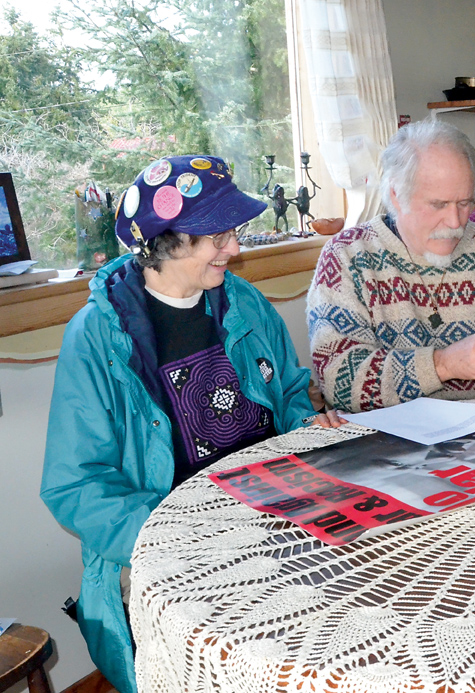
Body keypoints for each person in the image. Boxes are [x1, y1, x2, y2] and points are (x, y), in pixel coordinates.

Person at [40, 155, 342, 693]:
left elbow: (292, 390)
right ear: (164, 241)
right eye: (217, 236)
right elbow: (74, 485)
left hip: (272, 512)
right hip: (170, 539)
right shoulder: (98, 338)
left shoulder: (242, 301)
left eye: (234, 232)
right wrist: (176, 537)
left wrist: (308, 425)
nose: (235, 248)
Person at [307, 119, 475, 412]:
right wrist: (442, 365)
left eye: (465, 203)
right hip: (390, 441)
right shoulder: (349, 258)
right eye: (439, 205)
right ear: (395, 195)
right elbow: (339, 382)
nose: (455, 222)